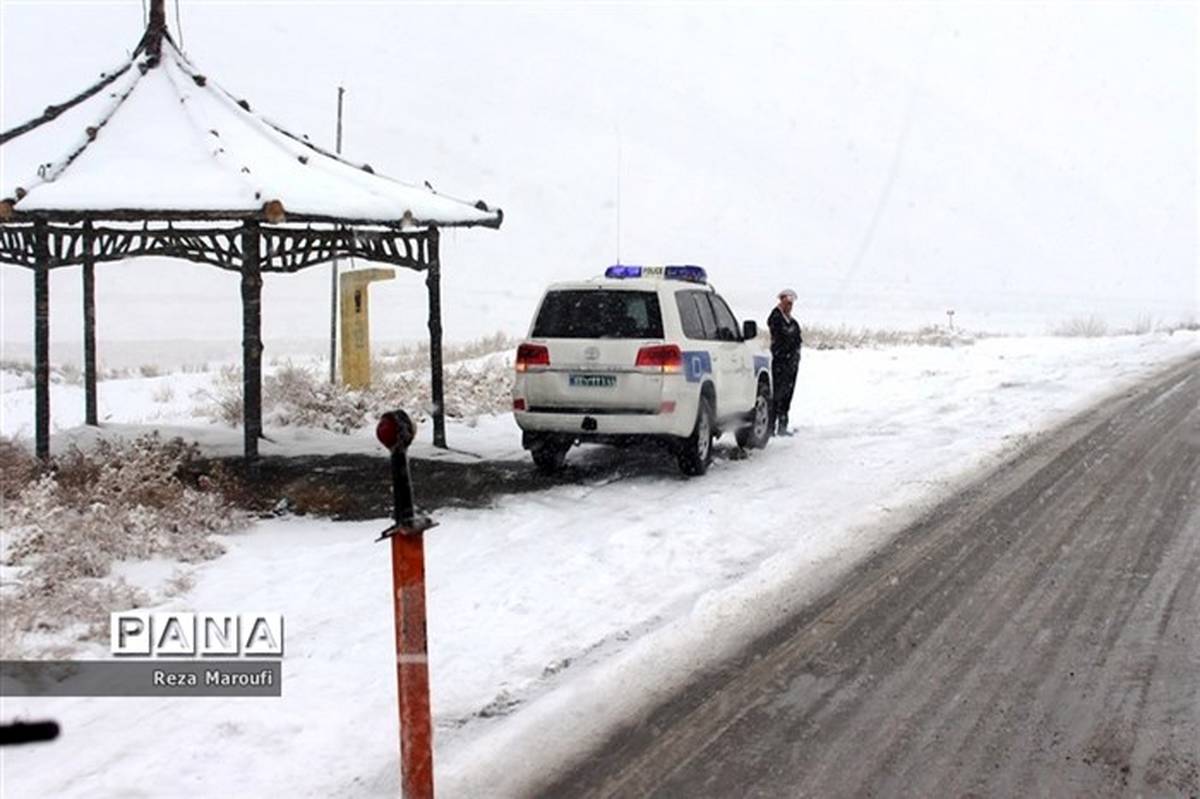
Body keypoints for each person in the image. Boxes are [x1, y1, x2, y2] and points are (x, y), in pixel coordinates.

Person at [767, 289, 802, 436]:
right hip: (780, 362)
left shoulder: (793, 322)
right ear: (781, 301)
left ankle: (783, 425)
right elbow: (782, 336)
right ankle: (771, 427)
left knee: (787, 394)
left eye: (791, 304)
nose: (789, 306)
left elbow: (797, 339)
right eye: (787, 303)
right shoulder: (776, 318)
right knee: (777, 394)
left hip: (791, 364)